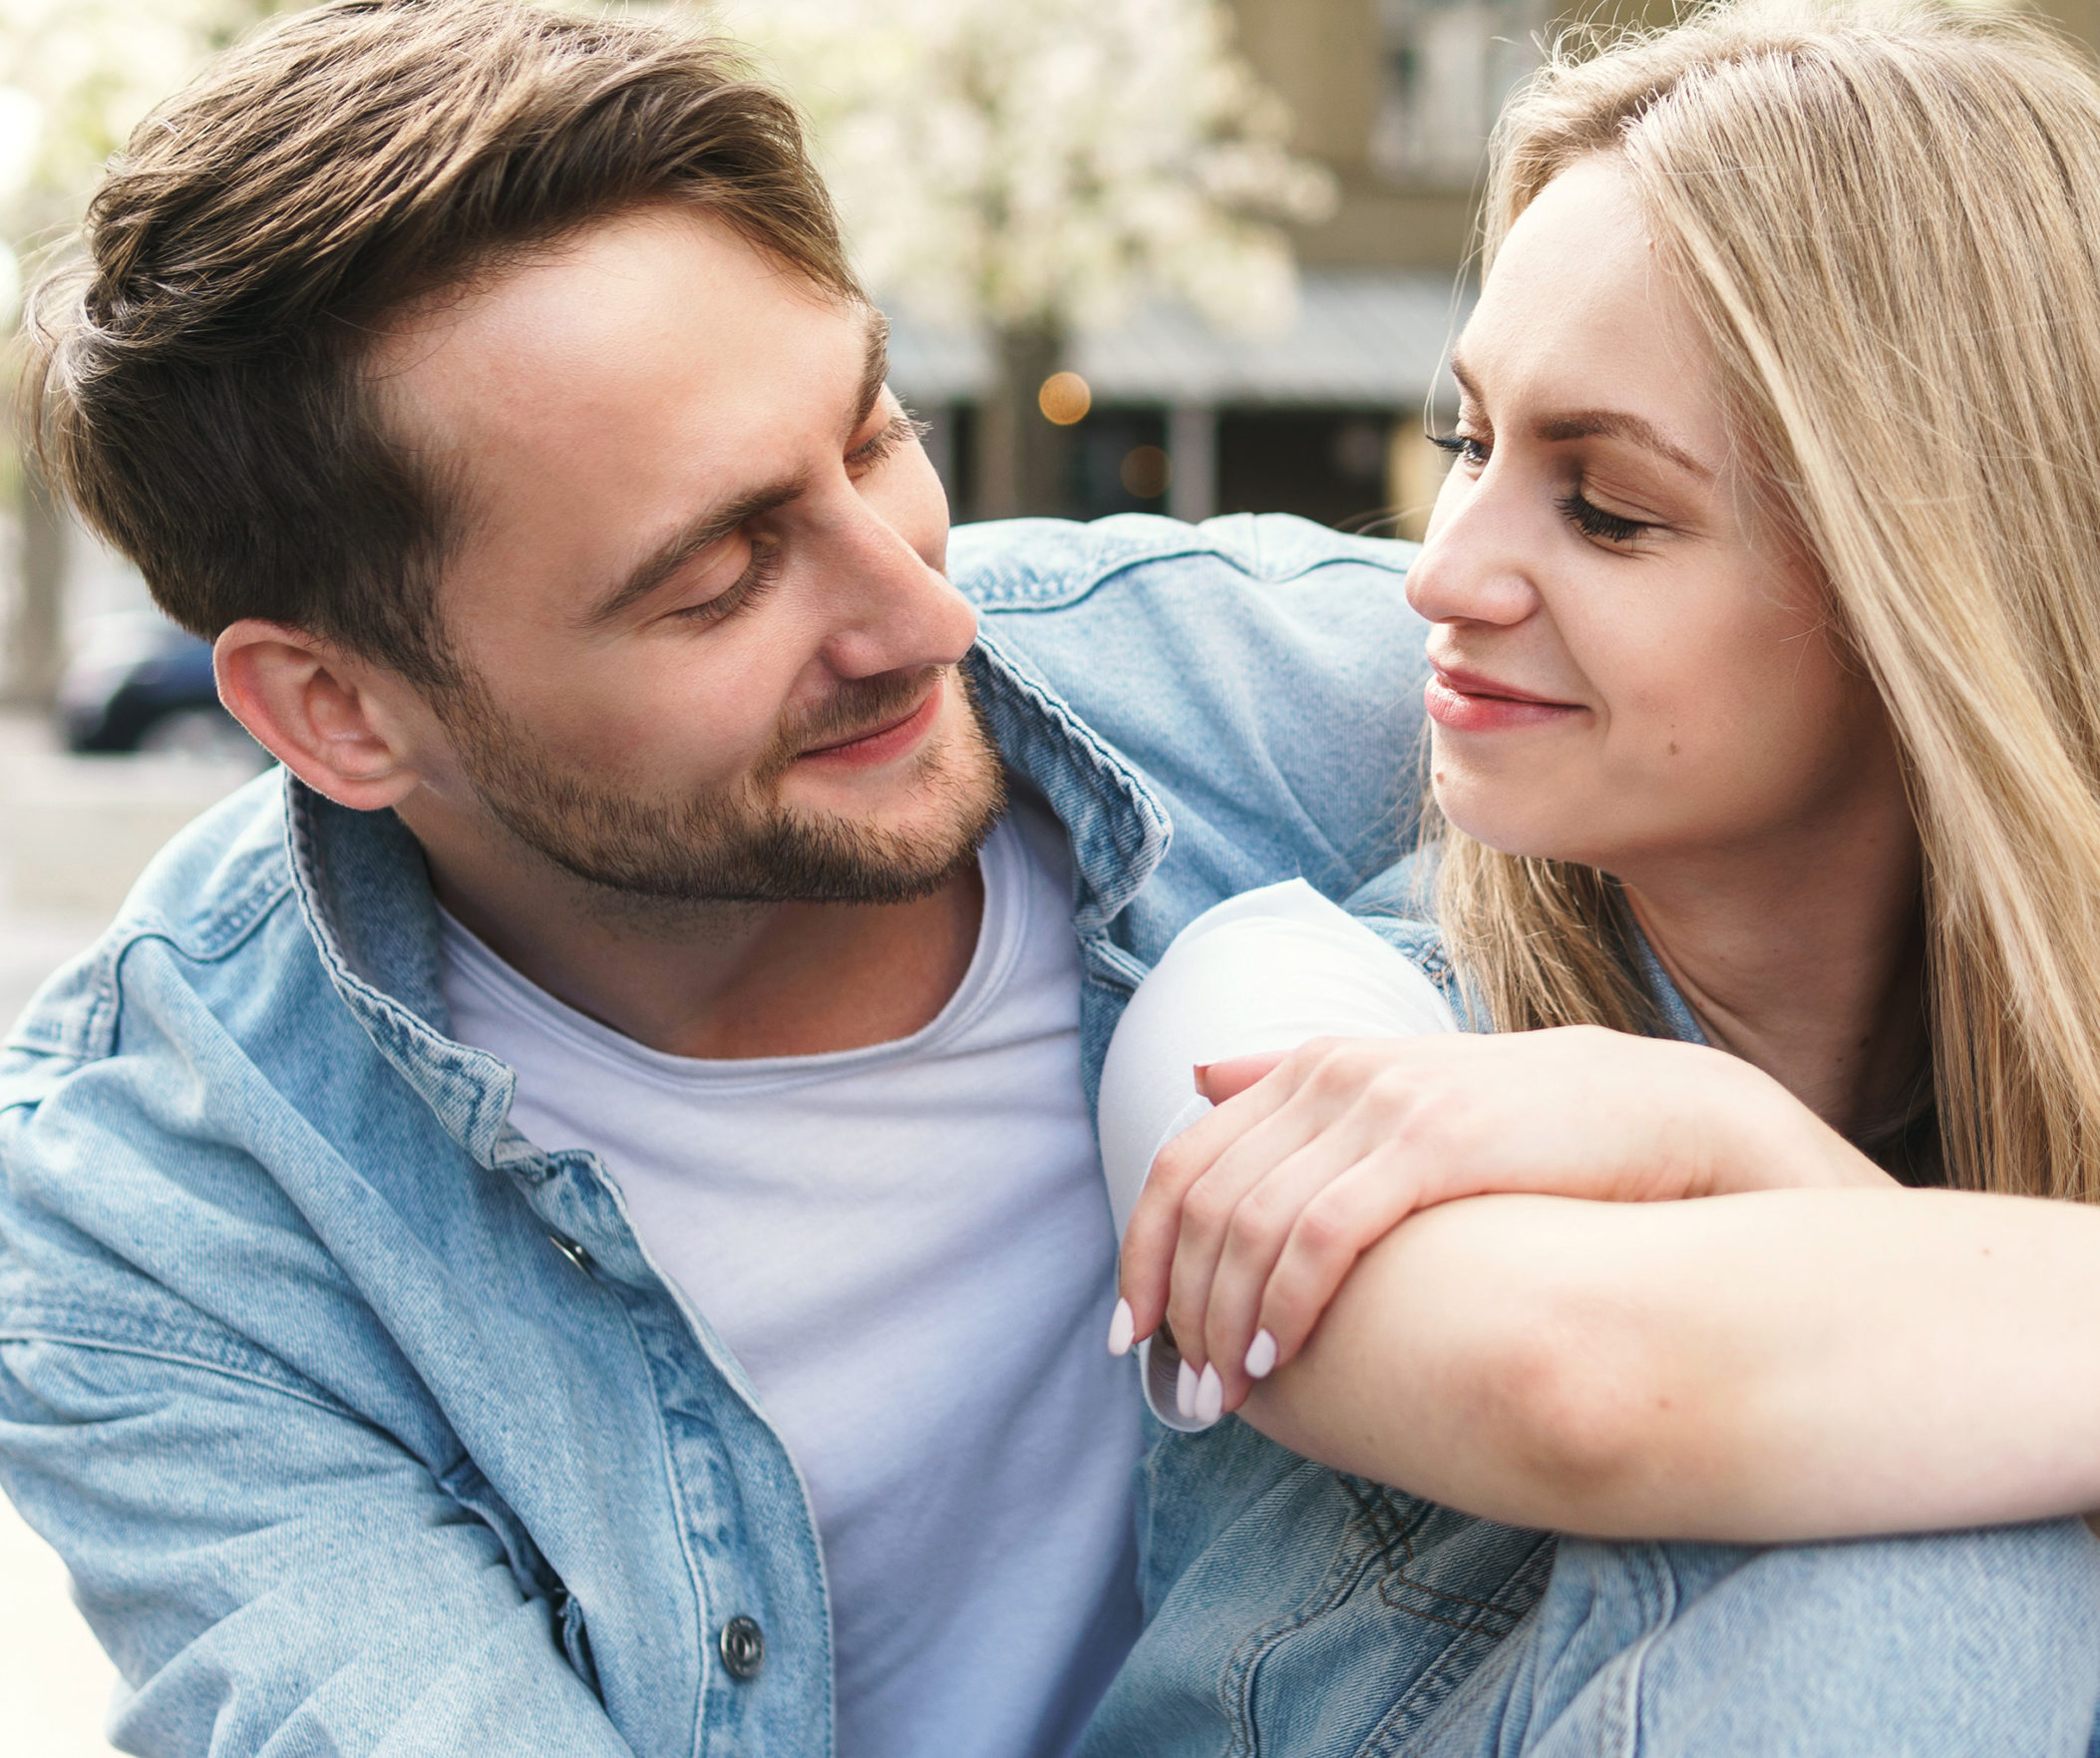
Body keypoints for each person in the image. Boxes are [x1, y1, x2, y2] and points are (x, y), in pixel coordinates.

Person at [1081, 4, 2100, 1754]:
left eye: (1608, 507)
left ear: (1932, 601)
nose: (1444, 571)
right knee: (1930, 1576)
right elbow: (1604, 1386)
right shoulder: (1293, 1015)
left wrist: (1738, 1150)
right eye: (1468, 442)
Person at [0, 3, 1431, 1753]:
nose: (929, 615)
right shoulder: (158, 1224)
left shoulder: (1304, 698)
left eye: (873, 436)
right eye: (715, 578)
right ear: (340, 712)